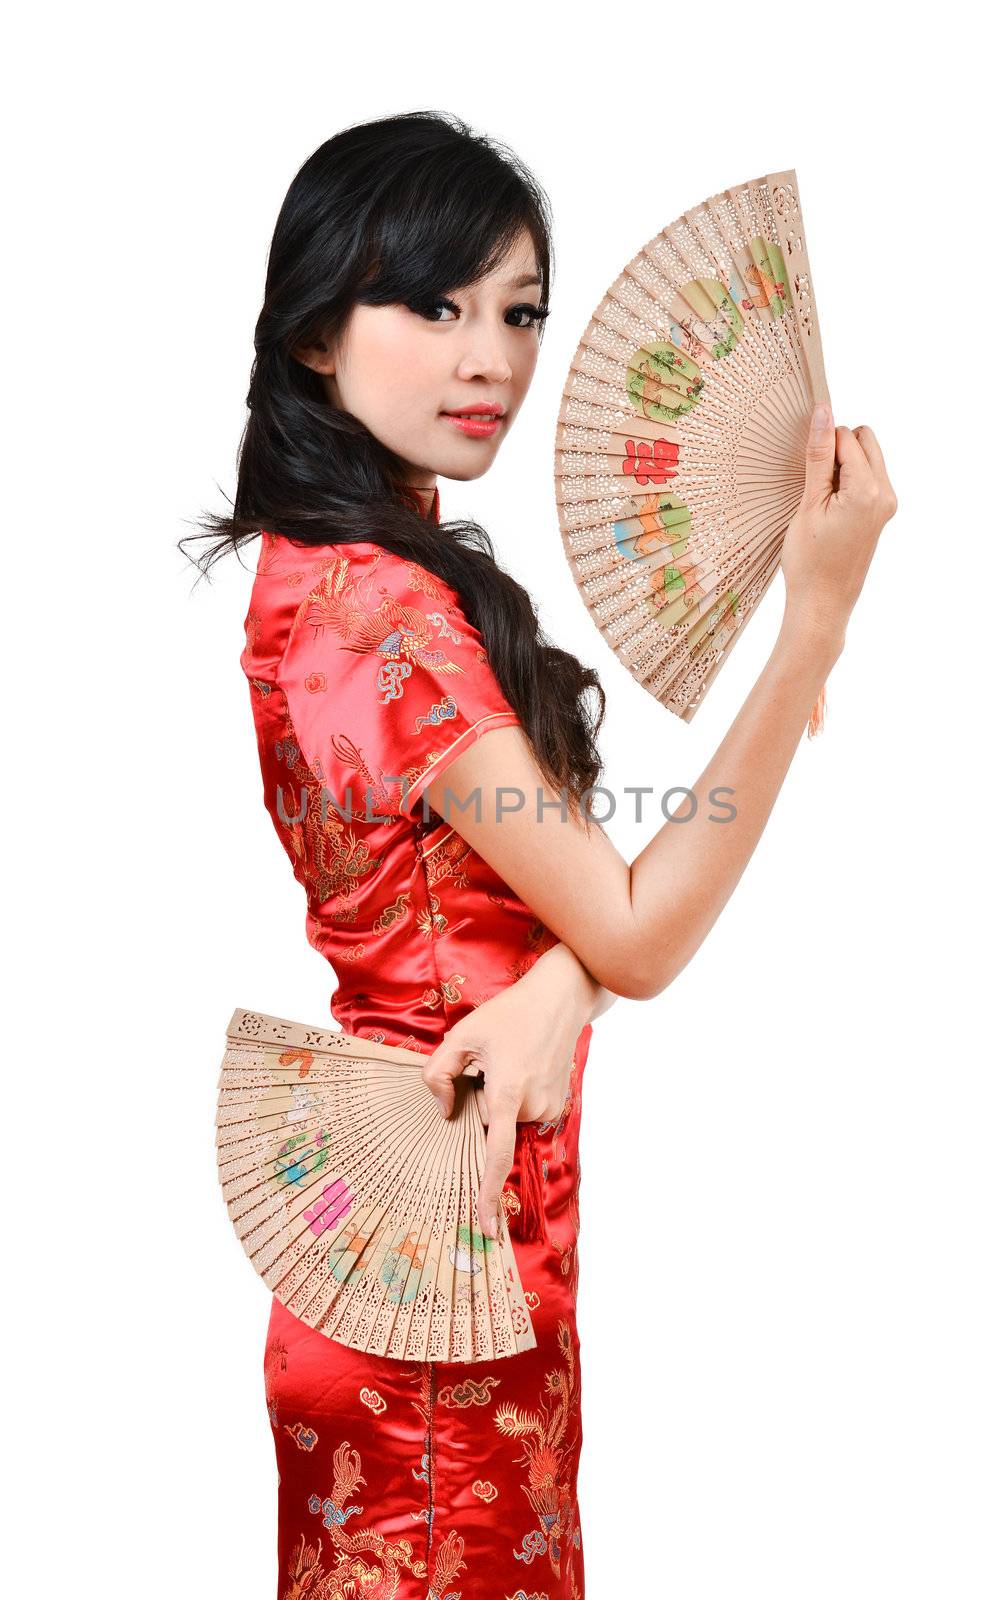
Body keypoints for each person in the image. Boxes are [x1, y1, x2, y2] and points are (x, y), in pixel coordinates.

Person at [185, 110, 897, 1600]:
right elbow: (638, 923)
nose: (488, 358)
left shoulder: (351, 571)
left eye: (516, 312)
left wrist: (561, 986)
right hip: (435, 1257)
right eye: (430, 306)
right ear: (316, 334)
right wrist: (811, 627)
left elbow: (576, 932)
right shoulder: (377, 613)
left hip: (447, 1231)